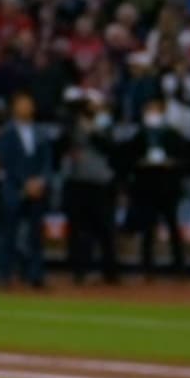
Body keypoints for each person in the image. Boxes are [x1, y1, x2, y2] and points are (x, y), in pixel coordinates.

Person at [0, 91, 54, 289]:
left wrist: (41, 181)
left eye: (28, 104)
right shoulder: (6, 133)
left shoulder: (41, 132)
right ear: (14, 108)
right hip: (14, 189)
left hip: (36, 189)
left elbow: (47, 161)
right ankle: (5, 274)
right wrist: (25, 182)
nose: (25, 108)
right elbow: (5, 162)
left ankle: (35, 274)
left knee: (36, 235)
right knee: (8, 234)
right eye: (21, 104)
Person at [124, 99, 188, 276]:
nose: (151, 114)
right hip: (147, 189)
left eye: (155, 110)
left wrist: (171, 163)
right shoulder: (140, 135)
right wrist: (141, 163)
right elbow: (129, 160)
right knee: (148, 230)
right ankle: (147, 268)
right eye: (148, 111)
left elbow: (184, 160)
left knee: (173, 228)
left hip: (168, 189)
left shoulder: (173, 135)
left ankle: (179, 267)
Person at [59, 104, 120, 285]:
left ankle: (110, 272)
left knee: (105, 229)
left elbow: (111, 149)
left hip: (100, 185)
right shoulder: (71, 131)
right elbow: (60, 147)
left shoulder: (104, 129)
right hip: (77, 184)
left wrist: (92, 131)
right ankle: (79, 271)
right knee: (78, 231)